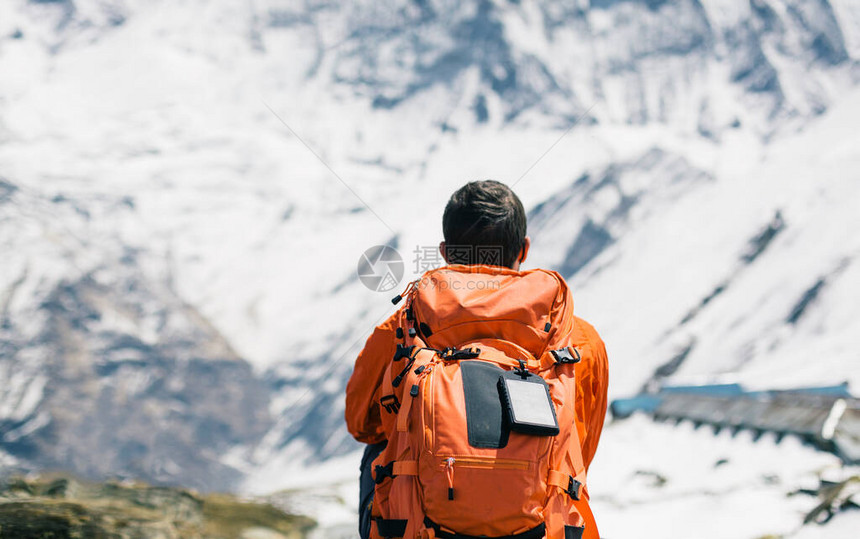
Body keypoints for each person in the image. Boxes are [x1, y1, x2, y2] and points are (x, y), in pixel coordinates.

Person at [345, 180, 609, 539]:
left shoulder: (402, 329)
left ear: (444, 251)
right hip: (544, 527)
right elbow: (583, 442)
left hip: (421, 526)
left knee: (379, 446)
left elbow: (362, 424)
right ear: (524, 249)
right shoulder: (577, 341)